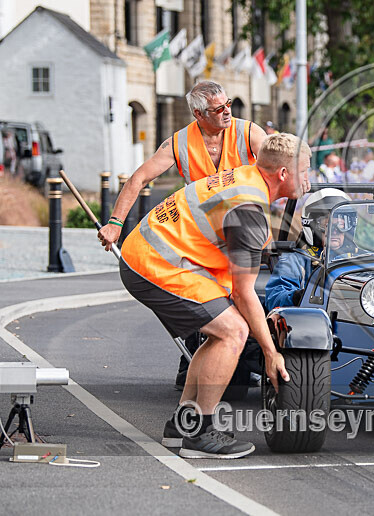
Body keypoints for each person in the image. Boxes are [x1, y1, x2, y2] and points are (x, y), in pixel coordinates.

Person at [116, 133, 311, 459]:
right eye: (304, 171)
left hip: (156, 255)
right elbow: (244, 293)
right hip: (154, 264)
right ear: (283, 174)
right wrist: (270, 352)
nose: (308, 179)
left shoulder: (246, 178)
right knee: (234, 331)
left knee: (221, 331)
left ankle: (185, 424)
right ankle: (200, 435)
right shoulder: (250, 209)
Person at [99, 80, 268, 248]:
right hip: (204, 230)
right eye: (219, 109)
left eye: (228, 104)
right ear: (199, 114)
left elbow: (276, 164)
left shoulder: (249, 132)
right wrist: (115, 223)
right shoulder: (178, 143)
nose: (227, 111)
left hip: (246, 225)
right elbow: (138, 179)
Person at [264, 188, 355, 311]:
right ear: (311, 226)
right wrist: (300, 296)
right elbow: (274, 299)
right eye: (327, 224)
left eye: (341, 224)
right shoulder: (295, 261)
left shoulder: (362, 258)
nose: (335, 230)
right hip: (313, 324)